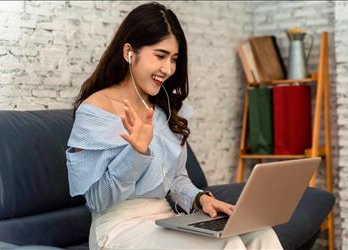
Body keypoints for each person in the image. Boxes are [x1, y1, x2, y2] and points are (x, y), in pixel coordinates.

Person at [66, 2, 283, 249]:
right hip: (119, 228)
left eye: (174, 59)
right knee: (228, 244)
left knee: (261, 233)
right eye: (160, 56)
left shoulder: (162, 108)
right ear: (129, 52)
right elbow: (97, 200)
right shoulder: (95, 110)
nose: (168, 69)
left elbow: (175, 179)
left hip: (165, 221)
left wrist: (200, 199)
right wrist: (135, 153)